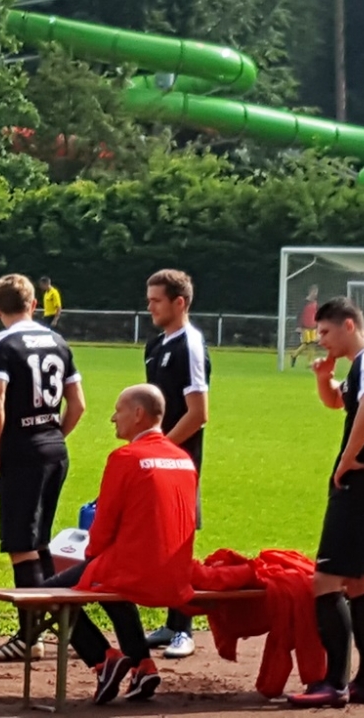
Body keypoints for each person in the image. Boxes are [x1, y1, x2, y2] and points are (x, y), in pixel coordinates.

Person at [43, 384, 198, 703]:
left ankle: (104, 660)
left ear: (138, 414)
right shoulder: (183, 458)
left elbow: (102, 529)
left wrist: (91, 559)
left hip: (137, 571)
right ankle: (142, 666)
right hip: (177, 574)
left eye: (118, 410)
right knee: (109, 579)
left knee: (48, 595)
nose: (113, 418)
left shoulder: (125, 457)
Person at [287, 297, 364, 708]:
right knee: (360, 584)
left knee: (326, 581)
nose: (321, 340)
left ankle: (333, 683)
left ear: (349, 325)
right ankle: (363, 683)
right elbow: (340, 401)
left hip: (361, 481)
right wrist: (324, 379)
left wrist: (348, 458)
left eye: (325, 332)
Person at [0, 273, 86, 661]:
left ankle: (29, 637)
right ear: (34, 305)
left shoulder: (2, 343)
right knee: (39, 541)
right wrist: (53, 436)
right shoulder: (58, 341)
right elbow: (78, 405)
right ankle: (49, 628)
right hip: (54, 449)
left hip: (22, 451)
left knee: (21, 545)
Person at [143, 268, 210, 659]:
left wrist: (161, 448)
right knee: (162, 541)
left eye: (156, 300)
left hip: (180, 461)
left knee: (179, 542)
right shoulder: (155, 345)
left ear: (179, 302)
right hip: (158, 457)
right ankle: (172, 623)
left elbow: (198, 413)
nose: (150, 307)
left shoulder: (191, 345)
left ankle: (184, 628)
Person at [291, 285, 320, 368]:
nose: (315, 294)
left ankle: (298, 356)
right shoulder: (304, 303)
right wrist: (298, 326)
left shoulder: (316, 303)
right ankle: (296, 355)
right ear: (310, 292)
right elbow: (299, 314)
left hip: (313, 326)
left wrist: (318, 325)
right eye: (314, 292)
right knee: (307, 343)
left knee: (311, 344)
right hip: (305, 326)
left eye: (316, 292)